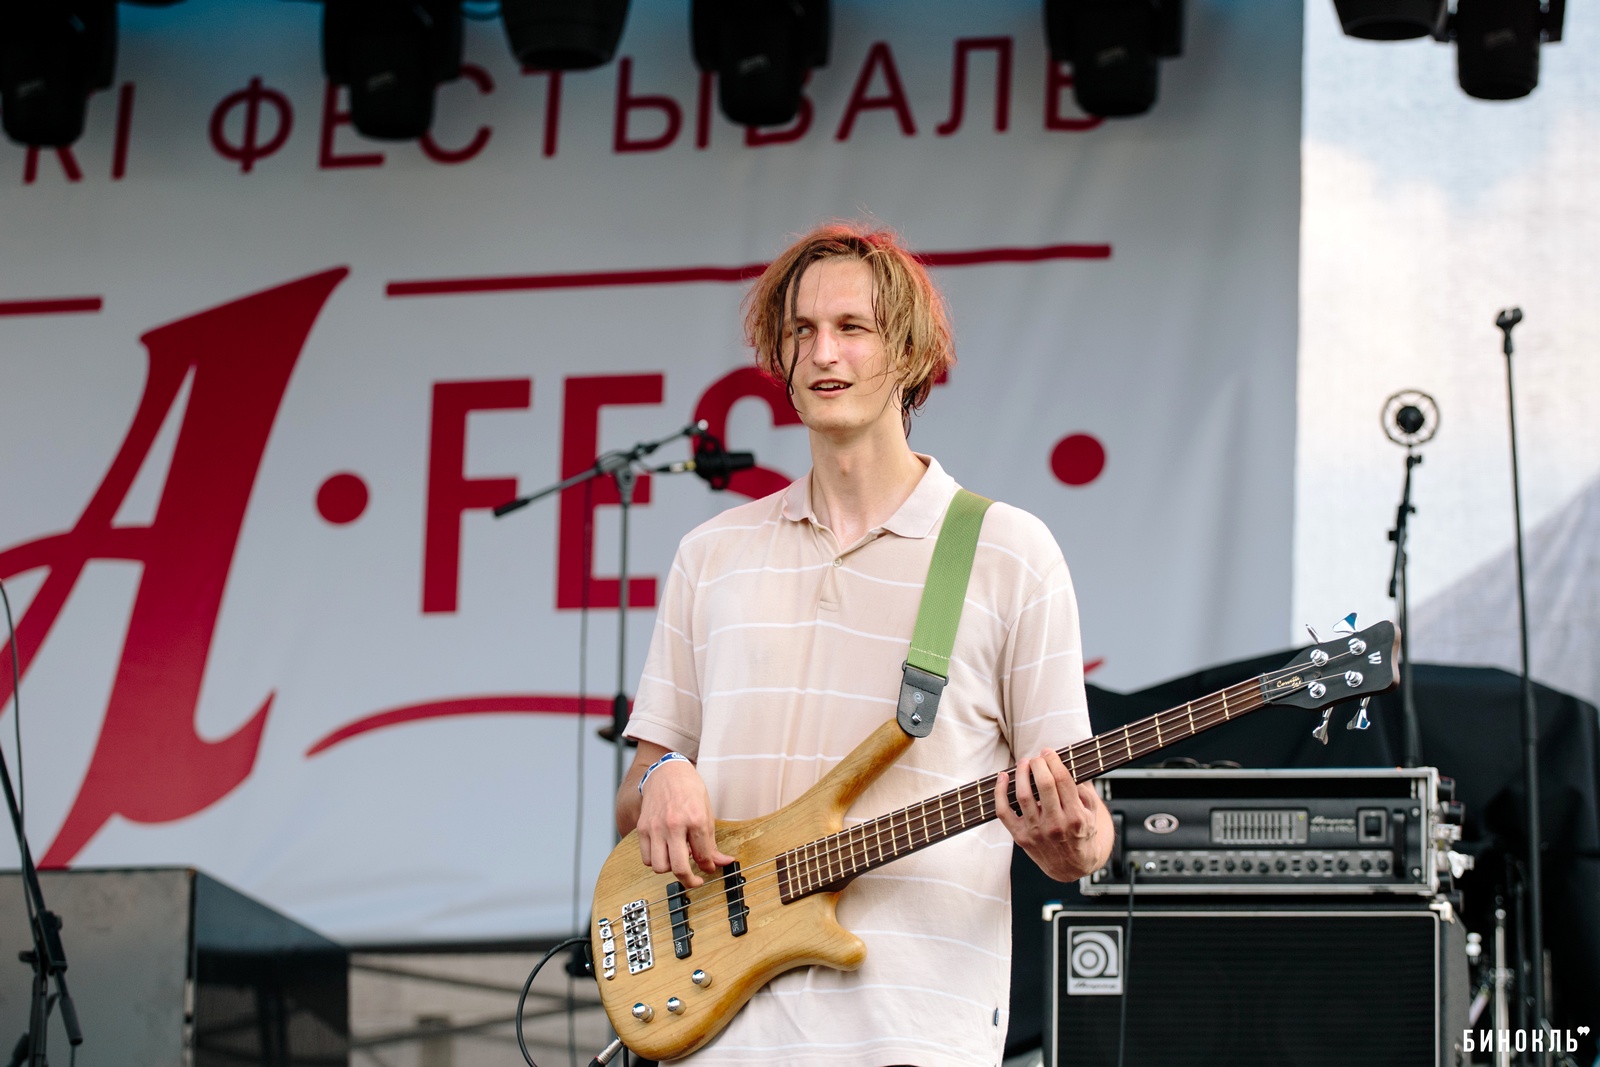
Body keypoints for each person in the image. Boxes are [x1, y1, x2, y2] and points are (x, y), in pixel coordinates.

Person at [615, 222, 1113, 1067]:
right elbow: (635, 801)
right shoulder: (711, 555)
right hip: (718, 1036)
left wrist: (1071, 842)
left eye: (853, 327)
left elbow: (1082, 833)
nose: (823, 352)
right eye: (801, 330)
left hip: (912, 1033)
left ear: (910, 353)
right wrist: (662, 773)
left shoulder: (1008, 553)